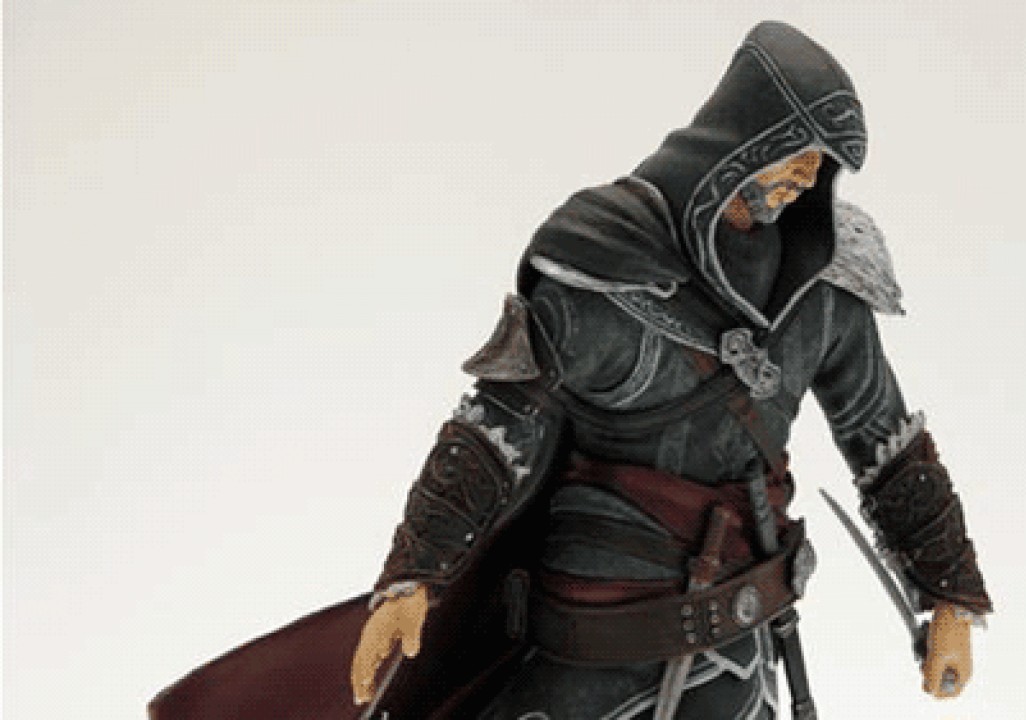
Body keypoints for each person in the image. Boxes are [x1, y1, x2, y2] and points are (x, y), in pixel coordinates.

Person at [349, 20, 992, 720]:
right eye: (795, 155)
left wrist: (948, 597)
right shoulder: (605, 267)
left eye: (820, 164)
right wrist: (413, 579)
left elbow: (885, 442)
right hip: (587, 655)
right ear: (744, 140)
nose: (807, 178)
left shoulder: (825, 295)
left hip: (740, 652)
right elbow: (494, 430)